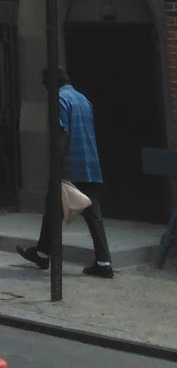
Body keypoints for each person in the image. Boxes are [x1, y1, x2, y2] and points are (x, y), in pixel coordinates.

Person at [18, 69, 113, 279]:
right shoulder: (83, 99)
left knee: (53, 206)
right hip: (90, 163)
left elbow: (62, 134)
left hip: (71, 164)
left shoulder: (59, 100)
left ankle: (43, 254)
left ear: (52, 84)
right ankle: (103, 261)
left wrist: (56, 167)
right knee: (90, 212)